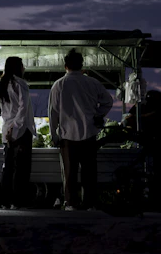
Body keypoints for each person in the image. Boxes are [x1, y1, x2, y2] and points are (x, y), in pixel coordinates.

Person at [48, 48, 113, 211]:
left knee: (69, 173)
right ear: (81, 66)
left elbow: (53, 112)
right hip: (89, 134)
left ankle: (71, 203)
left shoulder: (59, 84)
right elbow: (108, 101)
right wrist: (98, 115)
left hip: (67, 136)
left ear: (65, 66)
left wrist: (53, 135)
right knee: (89, 172)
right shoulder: (92, 82)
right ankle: (90, 203)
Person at [122, 89, 161, 210]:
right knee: (160, 171)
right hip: (157, 141)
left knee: (159, 171)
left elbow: (127, 120)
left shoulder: (143, 107)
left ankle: (156, 198)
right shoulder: (152, 109)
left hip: (156, 140)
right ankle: (157, 200)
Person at [0, 56, 36, 210]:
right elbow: (23, 108)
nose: (24, 68)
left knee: (8, 167)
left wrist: (9, 129)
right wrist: (16, 127)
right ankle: (17, 202)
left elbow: (5, 112)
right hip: (21, 131)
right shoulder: (20, 84)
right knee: (22, 168)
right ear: (18, 67)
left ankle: (5, 201)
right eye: (22, 65)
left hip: (7, 130)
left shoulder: (2, 84)